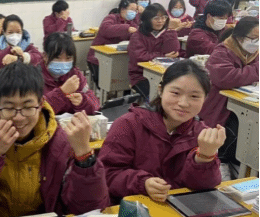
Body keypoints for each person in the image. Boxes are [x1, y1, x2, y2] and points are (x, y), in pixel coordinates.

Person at [0, 62, 109, 217]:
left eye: (28, 107)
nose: (19, 117)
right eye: (9, 108)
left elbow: (89, 210)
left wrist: (85, 156)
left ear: (41, 104)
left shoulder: (59, 141)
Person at [101, 60, 224, 203]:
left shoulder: (202, 135)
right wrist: (142, 183)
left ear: (205, 99)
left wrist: (205, 157)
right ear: (160, 90)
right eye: (175, 93)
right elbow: (106, 174)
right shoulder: (128, 124)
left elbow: (204, 188)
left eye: (194, 96)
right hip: (131, 207)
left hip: (177, 209)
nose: (183, 103)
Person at [199, 17, 259, 166]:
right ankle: (223, 164)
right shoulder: (222, 52)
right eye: (254, 38)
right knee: (233, 138)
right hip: (221, 108)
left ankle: (245, 167)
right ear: (239, 37)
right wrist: (256, 70)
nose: (257, 43)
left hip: (248, 102)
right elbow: (227, 78)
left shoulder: (255, 53)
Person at [128, 4, 182, 101]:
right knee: (158, 97)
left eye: (164, 17)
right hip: (141, 76)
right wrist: (162, 56)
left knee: (177, 93)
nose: (160, 21)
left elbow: (172, 52)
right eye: (156, 18)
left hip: (164, 75)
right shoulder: (137, 36)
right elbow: (139, 57)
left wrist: (171, 30)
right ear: (147, 19)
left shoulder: (165, 33)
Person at [41, 32, 100, 115]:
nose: (63, 62)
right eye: (57, 58)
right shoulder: (34, 77)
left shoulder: (75, 75)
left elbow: (96, 104)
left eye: (68, 58)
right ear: (45, 56)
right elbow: (37, 112)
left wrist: (83, 101)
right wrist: (61, 93)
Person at [87, 0, 139, 87]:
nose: (134, 12)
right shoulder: (111, 18)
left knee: (124, 83)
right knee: (105, 85)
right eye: (132, 9)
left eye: (135, 10)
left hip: (116, 59)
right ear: (123, 10)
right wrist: (126, 28)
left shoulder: (132, 23)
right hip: (98, 59)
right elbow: (105, 29)